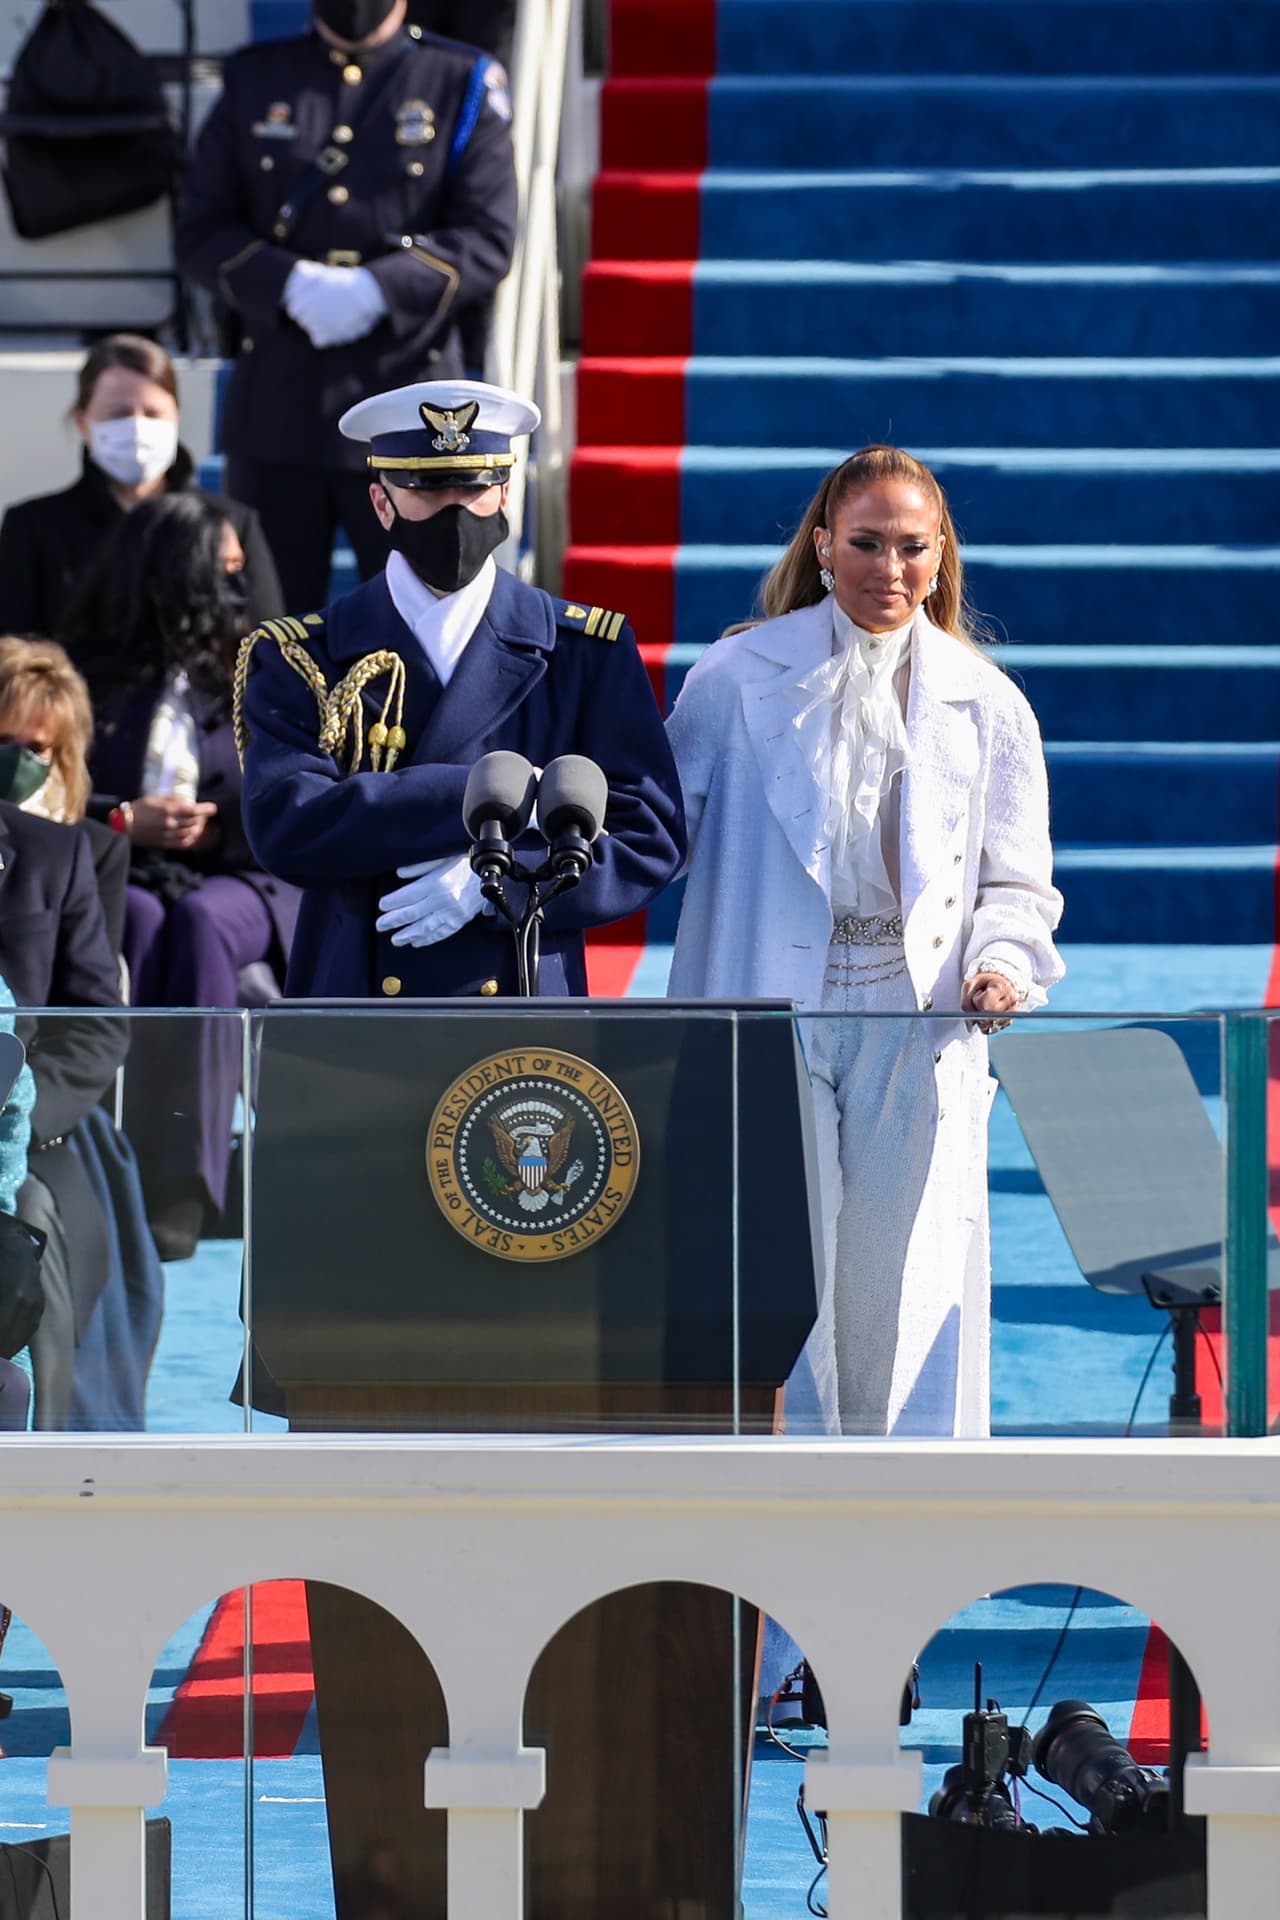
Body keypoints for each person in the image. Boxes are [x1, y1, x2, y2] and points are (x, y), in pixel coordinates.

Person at [666, 445, 1065, 1438]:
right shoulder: (735, 676)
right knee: (780, 1272)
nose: (888, 569)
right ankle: (779, 1528)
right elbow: (654, 833)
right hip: (769, 1002)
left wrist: (1000, 964)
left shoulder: (987, 703)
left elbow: (1018, 883)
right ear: (821, 545)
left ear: (939, 556)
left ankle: (892, 1531)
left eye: (910, 547)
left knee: (901, 1274)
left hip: (916, 1009)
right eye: (865, 544)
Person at [236, 378, 685, 1000]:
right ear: (381, 502)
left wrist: (501, 883)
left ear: (504, 492)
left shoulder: (585, 651)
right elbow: (287, 825)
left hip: (519, 990)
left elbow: (647, 838)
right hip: (355, 996)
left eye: (472, 486)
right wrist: (509, 794)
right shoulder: (303, 655)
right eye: (426, 487)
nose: (454, 508)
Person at [175, 0, 519, 611]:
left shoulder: (459, 80)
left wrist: (377, 290)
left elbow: (488, 237)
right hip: (280, 409)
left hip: (414, 412)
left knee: (425, 620)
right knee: (270, 629)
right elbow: (202, 231)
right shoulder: (255, 77)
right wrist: (285, 284)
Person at [56, 494, 300, 1260]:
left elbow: (300, 787)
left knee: (196, 924)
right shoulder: (92, 675)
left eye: (240, 573)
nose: (236, 591)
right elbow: (46, 788)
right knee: (142, 921)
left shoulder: (273, 672)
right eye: (216, 575)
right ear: (162, 579)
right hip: (130, 867)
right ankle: (117, 1161)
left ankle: (187, 1184)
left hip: (251, 872)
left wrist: (218, 821)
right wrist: (123, 817)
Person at [0, 638, 164, 1422]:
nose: (16, 759)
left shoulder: (77, 852)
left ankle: (55, 1458)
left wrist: (17, 1118)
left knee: (39, 1236)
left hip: (42, 1128)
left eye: (33, 747)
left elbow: (95, 1024)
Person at [0, 334, 284, 642]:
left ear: (176, 416)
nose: (136, 427)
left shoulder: (232, 524)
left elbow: (265, 647)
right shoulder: (32, 528)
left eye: (152, 413)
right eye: (118, 414)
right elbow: (15, 655)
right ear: (82, 422)